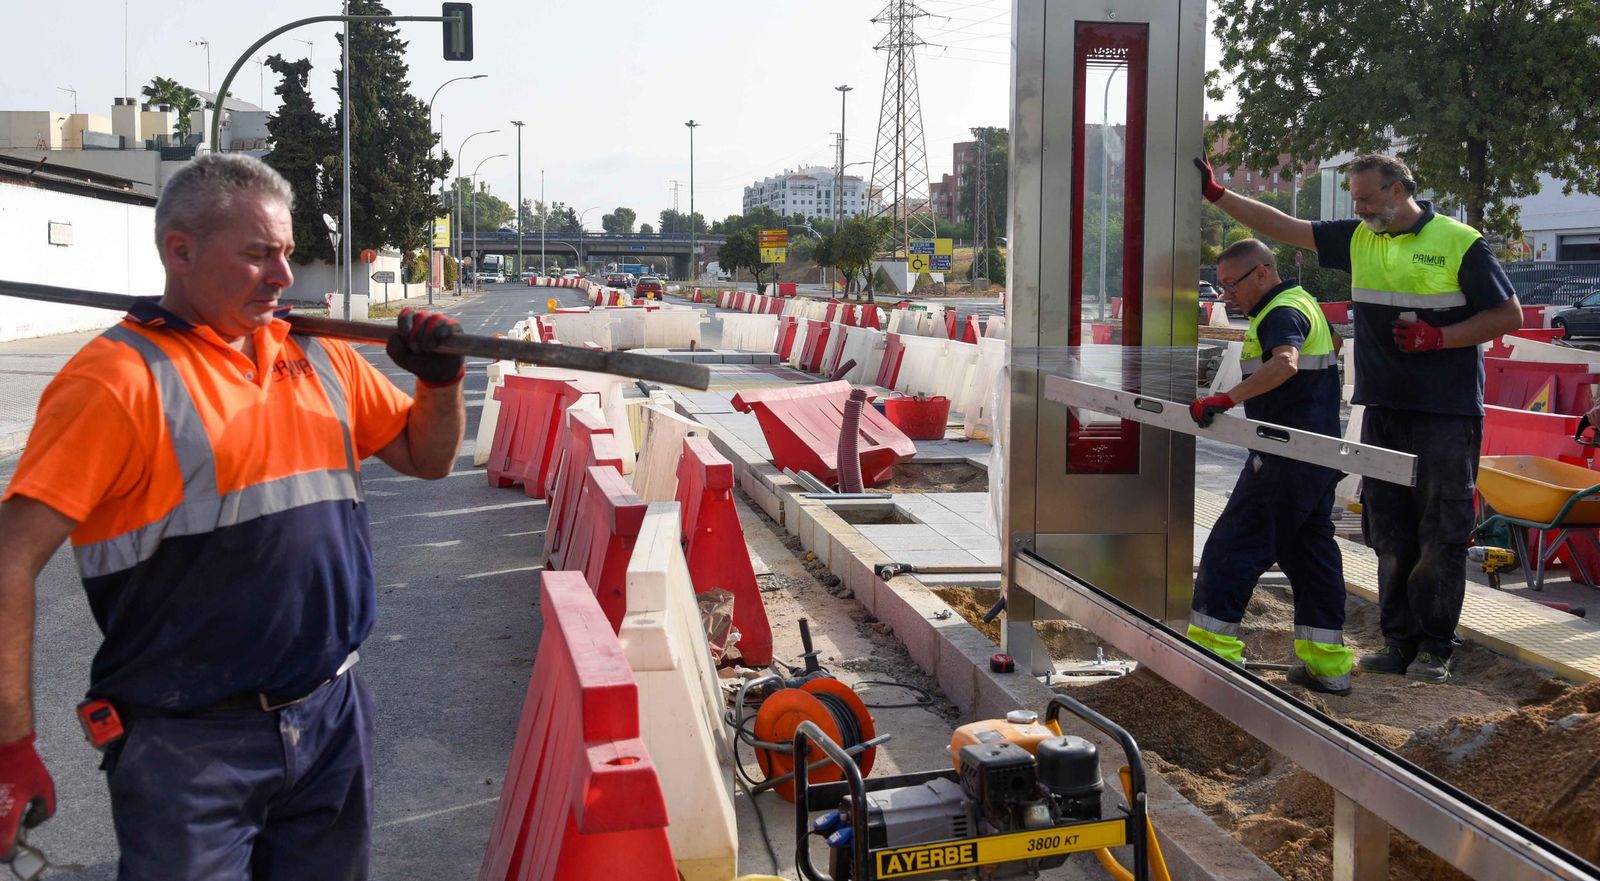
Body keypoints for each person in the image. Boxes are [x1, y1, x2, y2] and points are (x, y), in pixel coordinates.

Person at [0, 154, 467, 878]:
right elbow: (8, 559)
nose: (283, 276)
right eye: (257, 255)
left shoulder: (317, 351)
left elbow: (426, 456)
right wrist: (10, 746)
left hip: (331, 714)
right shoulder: (116, 380)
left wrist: (439, 382)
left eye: (284, 252)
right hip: (188, 748)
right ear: (179, 251)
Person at [1197, 153, 1521, 683]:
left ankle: (1435, 646)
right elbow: (1283, 227)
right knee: (1388, 531)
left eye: (1367, 199)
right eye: (1356, 201)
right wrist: (1218, 196)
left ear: (1398, 190)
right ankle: (1399, 642)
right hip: (1384, 408)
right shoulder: (1361, 237)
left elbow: (1507, 314)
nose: (1360, 208)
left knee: (1440, 531)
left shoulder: (1459, 241)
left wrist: (1442, 337)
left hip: (1444, 412)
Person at [1187, 239, 1354, 695]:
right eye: (1221, 287)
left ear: (1262, 272)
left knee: (1230, 551)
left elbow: (1285, 363)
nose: (1226, 296)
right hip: (1315, 460)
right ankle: (1328, 666)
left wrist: (1225, 399)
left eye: (1231, 284)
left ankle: (1212, 660)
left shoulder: (1281, 311)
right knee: (1312, 559)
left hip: (1285, 459)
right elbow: (1333, 344)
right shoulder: (1302, 304)